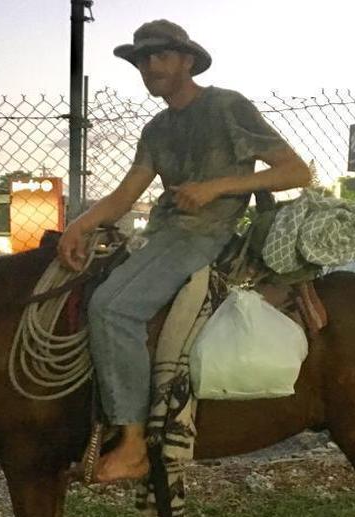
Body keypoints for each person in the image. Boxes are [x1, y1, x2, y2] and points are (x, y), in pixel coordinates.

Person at [57, 19, 311, 482]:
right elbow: (124, 196)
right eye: (141, 60)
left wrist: (218, 187)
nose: (148, 66)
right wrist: (77, 226)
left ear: (187, 61)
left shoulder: (227, 107)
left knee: (113, 308)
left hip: (205, 233)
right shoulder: (157, 128)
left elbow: (296, 172)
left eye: (159, 56)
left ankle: (133, 445)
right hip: (161, 234)